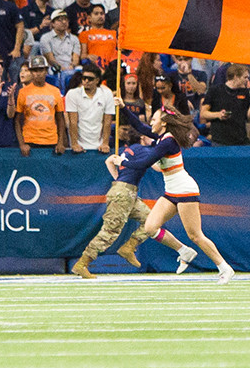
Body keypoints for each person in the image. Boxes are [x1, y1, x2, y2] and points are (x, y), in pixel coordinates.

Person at [78, 107, 232, 282]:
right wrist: (122, 108)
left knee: (195, 235)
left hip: (185, 190)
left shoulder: (168, 142)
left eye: (154, 119)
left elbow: (144, 163)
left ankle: (224, 268)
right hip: (171, 191)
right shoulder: (160, 137)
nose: (151, 122)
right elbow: (138, 126)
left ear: (164, 122)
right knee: (151, 227)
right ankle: (184, 251)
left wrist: (123, 161)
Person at [15, 57, 68, 154]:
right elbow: (17, 120)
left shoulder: (55, 91)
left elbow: (60, 119)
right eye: (35, 70)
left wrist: (61, 142)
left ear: (46, 71)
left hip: (51, 140)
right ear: (31, 72)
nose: (38, 73)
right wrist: (22, 143)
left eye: (41, 70)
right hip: (30, 141)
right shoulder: (23, 92)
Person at [64, 67, 119, 154]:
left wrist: (105, 143)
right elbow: (73, 122)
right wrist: (74, 144)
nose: (86, 81)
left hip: (99, 145)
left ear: (97, 80)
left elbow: (107, 121)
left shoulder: (107, 94)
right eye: (84, 78)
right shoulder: (72, 94)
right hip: (78, 145)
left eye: (90, 79)